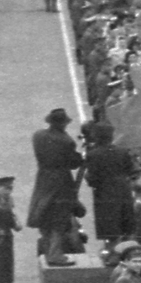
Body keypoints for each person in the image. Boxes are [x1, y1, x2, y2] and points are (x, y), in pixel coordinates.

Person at [29, 108, 83, 266]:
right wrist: (80, 157)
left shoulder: (38, 136)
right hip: (61, 181)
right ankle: (55, 254)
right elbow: (73, 163)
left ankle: (48, 250)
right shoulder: (65, 141)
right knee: (59, 219)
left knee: (44, 214)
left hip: (44, 178)